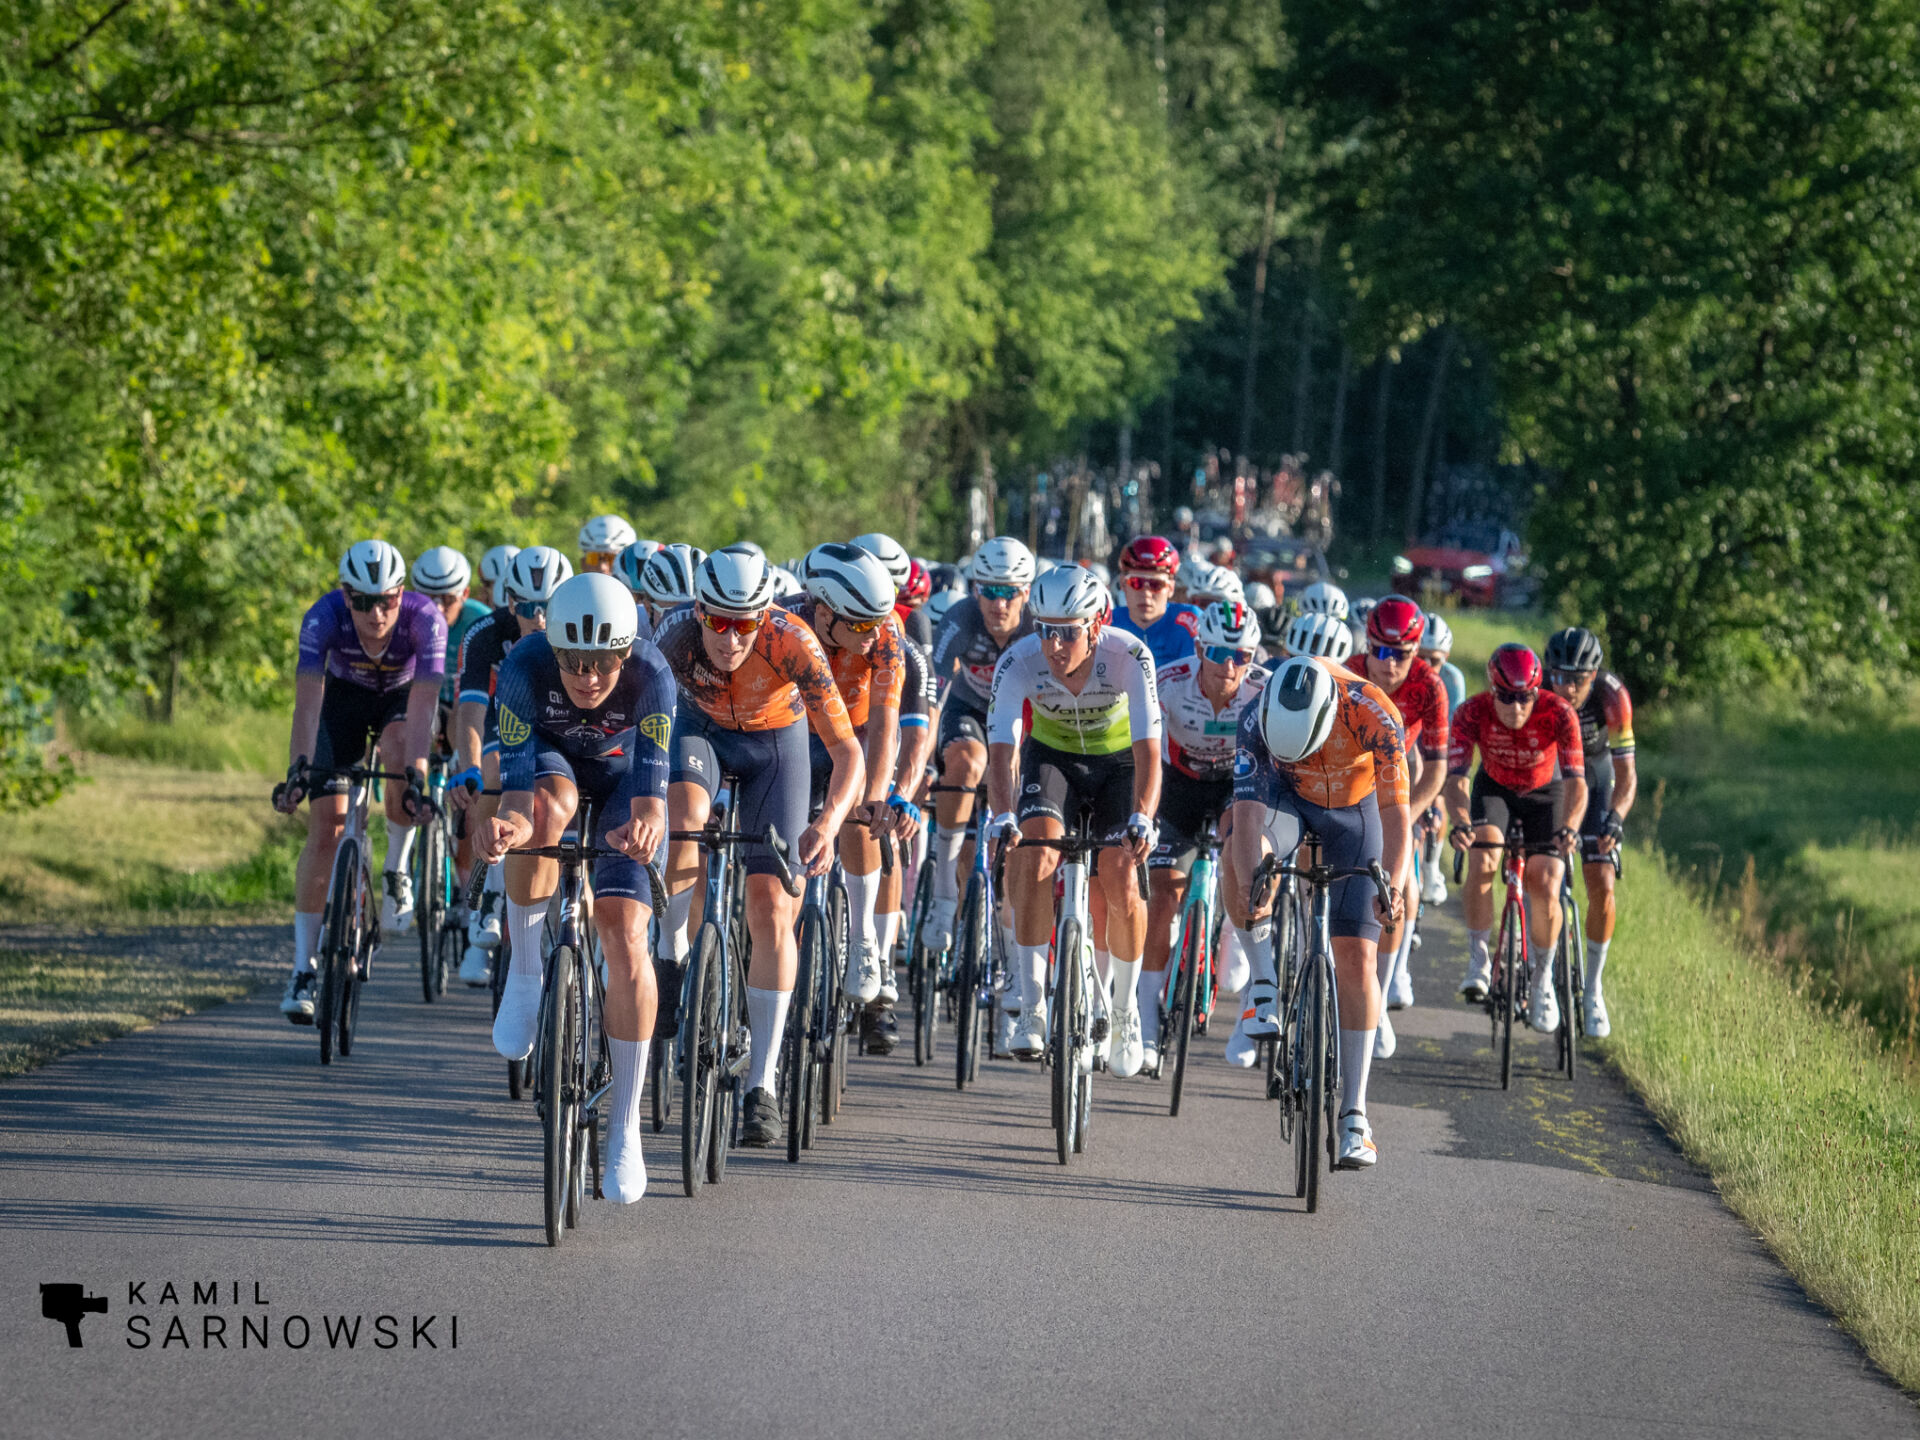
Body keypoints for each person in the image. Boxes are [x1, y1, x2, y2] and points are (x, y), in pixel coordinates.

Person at [473, 574, 674, 1203]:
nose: (588, 677)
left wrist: (647, 828)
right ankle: (526, 974)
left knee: (623, 932)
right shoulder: (523, 669)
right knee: (541, 810)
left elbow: (652, 799)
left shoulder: (653, 675)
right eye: (574, 662)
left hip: (625, 778)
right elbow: (516, 794)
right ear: (553, 648)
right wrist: (507, 827)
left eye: (603, 663)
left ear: (625, 653)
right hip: (552, 766)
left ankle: (625, 1128)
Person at [654, 549, 863, 1150]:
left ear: (764, 615)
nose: (730, 638)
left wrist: (828, 823)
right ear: (699, 610)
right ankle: (671, 953)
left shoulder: (793, 642)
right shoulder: (674, 636)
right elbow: (645, 722)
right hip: (700, 733)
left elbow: (847, 752)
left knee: (771, 906)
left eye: (744, 624)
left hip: (776, 745)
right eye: (717, 622)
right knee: (685, 819)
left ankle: (763, 1083)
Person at [1226, 655, 1410, 1168]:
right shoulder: (1254, 716)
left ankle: (1355, 1114)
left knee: (1357, 957)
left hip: (1357, 812)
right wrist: (1253, 883)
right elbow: (1247, 820)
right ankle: (1263, 983)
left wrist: (1393, 885)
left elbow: (1398, 817)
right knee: (1237, 861)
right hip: (1288, 801)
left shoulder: (1374, 713)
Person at [984, 565, 1161, 1076]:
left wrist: (1143, 817)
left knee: (1122, 873)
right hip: (1052, 760)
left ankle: (1125, 1010)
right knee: (1033, 854)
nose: (1054, 645)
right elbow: (1002, 751)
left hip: (1118, 764)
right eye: (1044, 629)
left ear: (1096, 626)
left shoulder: (1129, 655)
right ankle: (1032, 1005)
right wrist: (1002, 816)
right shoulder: (1018, 660)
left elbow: (1150, 751)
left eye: (1067, 632)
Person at [272, 541, 446, 1022]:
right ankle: (303, 970)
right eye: (363, 601)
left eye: (386, 600)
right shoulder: (322, 617)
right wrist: (298, 769)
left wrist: (417, 775)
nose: (376, 613)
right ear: (345, 594)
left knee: (398, 751)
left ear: (401, 593)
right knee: (326, 829)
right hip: (344, 700)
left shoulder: (426, 619)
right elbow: (309, 701)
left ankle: (396, 867)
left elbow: (424, 708)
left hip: (401, 701)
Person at [1141, 600, 1268, 1068]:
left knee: (1241, 853)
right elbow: (1145, 751)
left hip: (1237, 786)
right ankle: (1145, 1020)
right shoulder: (1168, 682)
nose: (1229, 666)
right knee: (1162, 899)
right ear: (1199, 649)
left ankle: (1232, 929)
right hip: (1181, 785)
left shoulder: (1262, 689)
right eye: (1218, 653)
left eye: (1241, 656)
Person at [783, 544, 906, 1009]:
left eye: (876, 622)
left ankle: (863, 936)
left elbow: (885, 721)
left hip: (858, 732)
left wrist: (875, 796)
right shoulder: (786, 624)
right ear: (822, 613)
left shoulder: (886, 631)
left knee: (860, 812)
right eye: (859, 626)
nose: (871, 634)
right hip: (796, 734)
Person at [1446, 644, 1587, 1034]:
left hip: (1546, 792)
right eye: (1506, 697)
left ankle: (1543, 979)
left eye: (1525, 697)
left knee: (1545, 880)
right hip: (1495, 789)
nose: (1516, 707)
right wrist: (1460, 821)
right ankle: (1479, 960)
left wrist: (1570, 826)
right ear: (1493, 689)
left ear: (1537, 691)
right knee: (1483, 857)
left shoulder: (1559, 712)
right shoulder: (1471, 712)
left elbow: (1577, 782)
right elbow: (1456, 778)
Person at [447, 546, 573, 982]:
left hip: (562, 725)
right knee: (493, 771)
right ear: (510, 602)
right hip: (505, 719)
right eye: (528, 607)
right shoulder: (485, 632)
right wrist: (468, 766)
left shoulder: (577, 628)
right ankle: (488, 898)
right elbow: (470, 710)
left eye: (548, 606)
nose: (539, 618)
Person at [921, 537, 1036, 953]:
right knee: (967, 762)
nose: (998, 604)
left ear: (1026, 593)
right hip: (969, 709)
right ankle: (943, 896)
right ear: (975, 590)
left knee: (1018, 789)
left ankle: (1010, 920)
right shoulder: (960, 619)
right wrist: (923, 766)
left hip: (1025, 714)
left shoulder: (1039, 624)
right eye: (989, 591)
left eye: (1009, 593)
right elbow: (933, 700)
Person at [1347, 597, 1450, 1048]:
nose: (1389, 664)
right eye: (1380, 651)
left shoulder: (1429, 686)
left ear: (1416, 652)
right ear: (1367, 645)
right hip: (1345, 771)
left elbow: (1438, 766)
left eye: (1402, 654)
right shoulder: (1348, 671)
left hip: (1395, 777)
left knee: (1400, 883)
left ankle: (1383, 994)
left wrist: (1407, 816)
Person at [1544, 626, 1635, 1037]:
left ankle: (1593, 989)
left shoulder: (1613, 697)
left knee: (1602, 881)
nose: (1566, 687)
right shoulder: (1535, 688)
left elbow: (1626, 774)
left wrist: (1615, 818)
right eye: (1558, 676)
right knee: (1543, 875)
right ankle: (1538, 966)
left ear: (1593, 675)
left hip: (1596, 778)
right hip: (1550, 778)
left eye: (1577, 679)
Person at [1110, 535, 1201, 669]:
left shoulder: (1189, 621)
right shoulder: (1107, 624)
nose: (1146, 593)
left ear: (1171, 587)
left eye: (1156, 584)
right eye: (1136, 583)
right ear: (1123, 584)